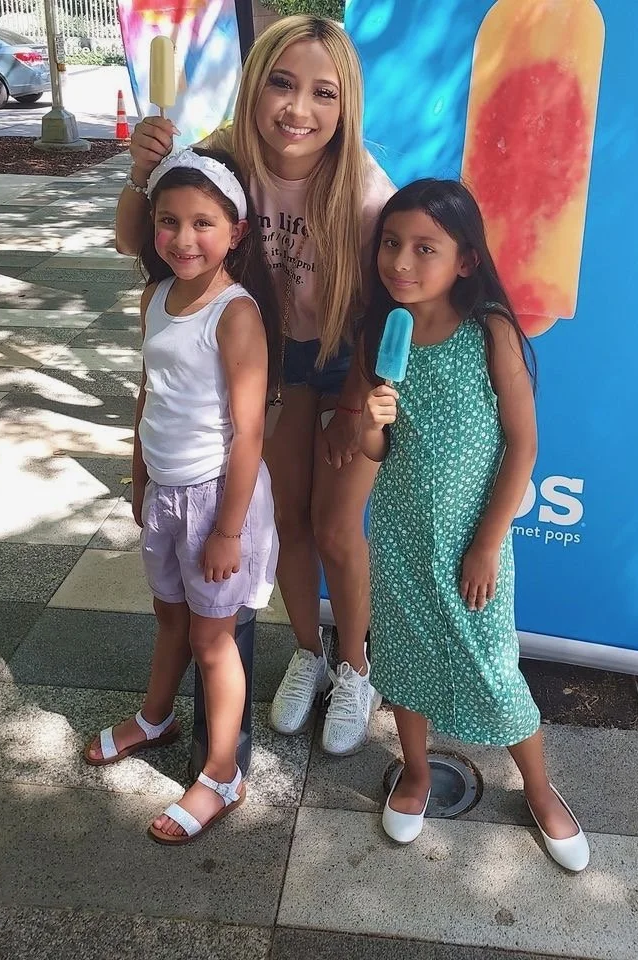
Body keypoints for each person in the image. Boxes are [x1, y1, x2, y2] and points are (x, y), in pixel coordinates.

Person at [116, 16, 394, 756]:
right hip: (273, 362)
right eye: (281, 82)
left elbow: (386, 307)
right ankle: (310, 650)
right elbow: (134, 239)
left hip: (349, 361)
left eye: (322, 93)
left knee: (337, 527)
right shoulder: (219, 155)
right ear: (255, 83)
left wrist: (352, 401)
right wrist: (140, 173)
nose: (298, 109)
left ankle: (357, 669)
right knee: (292, 524)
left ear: (345, 106)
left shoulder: (364, 189)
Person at [360, 179, 590, 871]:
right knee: (400, 659)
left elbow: (523, 445)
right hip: (399, 533)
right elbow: (375, 454)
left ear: (464, 260)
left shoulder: (489, 328)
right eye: (392, 244)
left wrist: (488, 544)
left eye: (424, 248)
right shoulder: (384, 330)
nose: (401, 261)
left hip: (472, 542)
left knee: (494, 667)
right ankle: (418, 772)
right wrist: (371, 422)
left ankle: (542, 790)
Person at [84, 147, 281, 845]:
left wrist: (229, 529)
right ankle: (156, 716)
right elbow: (149, 395)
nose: (182, 238)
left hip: (217, 502)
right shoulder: (155, 297)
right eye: (168, 221)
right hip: (165, 494)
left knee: (213, 639)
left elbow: (250, 433)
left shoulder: (235, 314)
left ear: (235, 231)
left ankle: (223, 771)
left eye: (203, 223)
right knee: (169, 616)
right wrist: (138, 475)